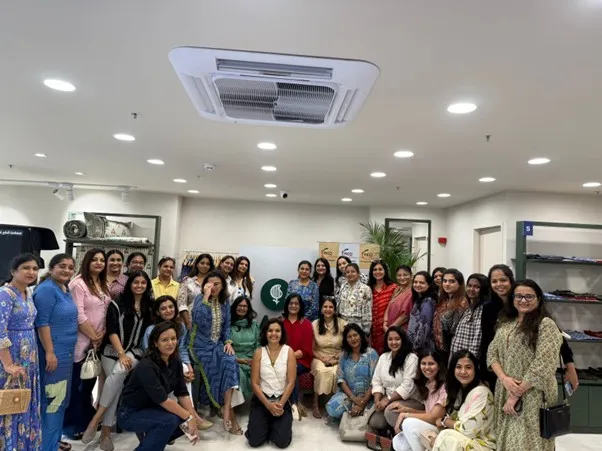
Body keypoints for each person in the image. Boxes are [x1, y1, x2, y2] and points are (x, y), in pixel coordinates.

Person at [82, 270, 154, 450]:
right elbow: (112, 330)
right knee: (117, 384)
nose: (139, 286)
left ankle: (96, 418)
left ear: (147, 286)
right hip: (111, 350)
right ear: (129, 284)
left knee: (119, 372)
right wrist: (121, 354)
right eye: (136, 282)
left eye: (143, 283)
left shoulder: (149, 306)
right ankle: (105, 433)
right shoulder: (117, 304)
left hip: (135, 351)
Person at [487, 279, 562, 451]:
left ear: (538, 299)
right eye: (519, 296)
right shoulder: (506, 322)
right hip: (506, 389)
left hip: (533, 394)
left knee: (527, 441)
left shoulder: (546, 325)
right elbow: (492, 354)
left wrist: (516, 394)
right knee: (506, 439)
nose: (523, 300)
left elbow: (544, 364)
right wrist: (504, 379)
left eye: (529, 296)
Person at [486, 264, 578, 391]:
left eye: (503, 280)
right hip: (502, 376)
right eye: (494, 281)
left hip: (531, 385)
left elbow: (555, 341)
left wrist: (570, 367)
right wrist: (501, 377)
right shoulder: (491, 309)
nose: (499, 284)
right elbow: (489, 345)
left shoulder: (540, 317)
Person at [117, 322, 206, 451]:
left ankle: (150, 441)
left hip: (152, 408)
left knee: (182, 420)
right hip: (130, 413)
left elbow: (182, 393)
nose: (170, 343)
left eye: (173, 338)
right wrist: (189, 417)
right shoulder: (147, 366)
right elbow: (163, 400)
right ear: (155, 343)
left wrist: (192, 420)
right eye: (165, 340)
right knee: (170, 421)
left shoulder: (175, 361)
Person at [63, 249, 111, 440]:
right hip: (80, 341)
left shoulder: (102, 283)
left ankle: (86, 419)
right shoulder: (78, 284)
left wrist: (101, 335)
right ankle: (71, 425)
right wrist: (93, 336)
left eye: (102, 260)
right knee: (75, 386)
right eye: (95, 260)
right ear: (87, 262)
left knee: (88, 383)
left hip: (96, 342)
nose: (99, 263)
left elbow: (105, 312)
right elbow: (78, 314)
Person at [33, 253, 78, 451]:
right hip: (52, 356)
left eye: (70, 267)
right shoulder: (46, 290)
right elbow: (42, 323)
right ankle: (47, 446)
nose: (67, 270)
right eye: (62, 266)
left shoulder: (64, 289)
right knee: (52, 401)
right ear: (51, 268)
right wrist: (50, 352)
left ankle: (53, 440)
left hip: (65, 355)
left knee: (60, 401)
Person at [188, 270, 242, 434]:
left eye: (216, 284)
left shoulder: (225, 302)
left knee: (230, 361)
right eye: (209, 284)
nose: (212, 287)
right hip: (199, 346)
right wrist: (205, 297)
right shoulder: (199, 299)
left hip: (217, 344)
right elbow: (200, 320)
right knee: (214, 366)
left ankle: (226, 408)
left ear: (223, 286)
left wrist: (228, 342)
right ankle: (225, 410)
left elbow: (226, 326)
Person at [0, 253, 42, 450]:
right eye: (26, 268)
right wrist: (8, 364)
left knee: (23, 399)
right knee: (9, 402)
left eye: (35, 268)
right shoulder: (5, 294)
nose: (31, 272)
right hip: (10, 357)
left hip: (29, 357)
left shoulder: (29, 292)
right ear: (13, 271)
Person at [142, 295, 204, 411]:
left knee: (186, 370)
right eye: (163, 308)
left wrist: (189, 366)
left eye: (171, 307)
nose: (168, 310)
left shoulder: (180, 327)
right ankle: (181, 411)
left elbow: (182, 348)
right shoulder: (151, 329)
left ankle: (190, 411)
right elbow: (148, 352)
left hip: (174, 361)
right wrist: (174, 370)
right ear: (157, 312)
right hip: (156, 364)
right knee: (178, 371)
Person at [246, 318, 296, 449]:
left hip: (282, 401)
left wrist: (280, 405)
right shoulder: (258, 353)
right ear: (265, 333)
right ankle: (264, 424)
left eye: (277, 331)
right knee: (254, 441)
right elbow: (254, 383)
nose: (274, 334)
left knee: (282, 443)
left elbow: (291, 382)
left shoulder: (289, 351)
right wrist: (268, 405)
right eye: (270, 331)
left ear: (282, 333)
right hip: (262, 401)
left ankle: (276, 425)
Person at [432, 350, 496, 451]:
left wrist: (445, 421)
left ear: (475, 370)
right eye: (458, 367)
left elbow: (470, 429)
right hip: (464, 440)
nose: (463, 372)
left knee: (446, 437)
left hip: (482, 445)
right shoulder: (458, 391)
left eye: (468, 367)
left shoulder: (481, 392)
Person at [392, 350, 447, 451]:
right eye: (423, 363)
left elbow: (434, 417)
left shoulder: (445, 386)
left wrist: (406, 414)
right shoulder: (428, 384)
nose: (426, 367)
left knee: (408, 423)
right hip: (430, 426)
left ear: (439, 366)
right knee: (398, 440)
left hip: (441, 430)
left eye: (431, 364)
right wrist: (407, 410)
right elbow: (428, 412)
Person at [368, 326, 420, 433]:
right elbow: (377, 381)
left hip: (410, 400)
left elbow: (407, 386)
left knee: (390, 412)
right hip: (388, 398)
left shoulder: (411, 358)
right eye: (390, 339)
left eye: (397, 339)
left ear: (403, 340)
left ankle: (403, 433)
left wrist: (387, 400)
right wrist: (377, 401)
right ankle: (392, 428)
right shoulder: (383, 357)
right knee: (375, 422)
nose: (393, 342)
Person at [325, 323, 379, 421]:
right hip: (349, 395)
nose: (353, 339)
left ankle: (355, 411)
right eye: (349, 337)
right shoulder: (344, 356)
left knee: (374, 417)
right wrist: (353, 398)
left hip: (368, 396)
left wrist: (362, 403)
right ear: (346, 340)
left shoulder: (372, 354)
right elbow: (341, 380)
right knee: (331, 408)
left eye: (355, 335)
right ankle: (353, 411)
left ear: (360, 336)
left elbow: (376, 381)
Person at [310, 297, 346, 418]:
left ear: (335, 310)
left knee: (336, 372)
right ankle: (315, 404)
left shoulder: (342, 324)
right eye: (325, 307)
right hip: (319, 356)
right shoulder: (315, 324)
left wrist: (338, 356)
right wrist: (322, 359)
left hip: (338, 356)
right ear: (321, 309)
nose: (328, 309)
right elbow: (312, 349)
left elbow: (348, 346)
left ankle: (334, 405)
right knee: (322, 371)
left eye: (331, 307)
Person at [281, 293, 313, 420]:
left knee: (292, 368)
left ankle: (293, 404)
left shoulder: (306, 324)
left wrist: (290, 357)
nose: (293, 306)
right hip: (282, 359)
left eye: (296, 303)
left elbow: (305, 349)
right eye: (291, 303)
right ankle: (294, 403)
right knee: (290, 368)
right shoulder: (281, 322)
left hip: (301, 361)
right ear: (287, 305)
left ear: (300, 306)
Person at [450, 273, 490, 362]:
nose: (471, 289)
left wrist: (468, 362)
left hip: (468, 362)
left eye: (476, 287)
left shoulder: (483, 310)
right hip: (458, 358)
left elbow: (477, 342)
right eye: (469, 286)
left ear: (483, 289)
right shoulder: (469, 307)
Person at [230, 295, 260, 401]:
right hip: (235, 359)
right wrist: (238, 360)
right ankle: (235, 404)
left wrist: (255, 359)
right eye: (239, 305)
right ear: (235, 307)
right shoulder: (228, 325)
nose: (242, 308)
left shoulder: (254, 325)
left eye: (245, 306)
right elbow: (225, 347)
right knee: (239, 375)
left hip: (252, 358)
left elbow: (259, 344)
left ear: (248, 309)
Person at [433, 269, 467, 363]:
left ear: (459, 284)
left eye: (452, 281)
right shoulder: (444, 299)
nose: (447, 284)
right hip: (439, 347)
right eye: (445, 281)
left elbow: (454, 330)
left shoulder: (462, 302)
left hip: (452, 349)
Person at [177, 253, 215, 330]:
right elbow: (182, 303)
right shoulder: (187, 281)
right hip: (190, 320)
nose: (205, 266)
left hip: (209, 321)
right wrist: (188, 322)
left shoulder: (214, 282)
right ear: (197, 264)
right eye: (202, 263)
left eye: (208, 264)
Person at [368, 260, 396, 354]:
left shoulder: (393, 288)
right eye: (375, 269)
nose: (377, 272)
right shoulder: (368, 288)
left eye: (380, 269)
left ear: (385, 271)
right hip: (371, 330)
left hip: (386, 328)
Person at [337, 263, 372, 337]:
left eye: (353, 271)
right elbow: (338, 304)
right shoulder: (343, 287)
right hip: (343, 324)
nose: (350, 274)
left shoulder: (365, 289)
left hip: (358, 325)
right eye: (347, 272)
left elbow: (367, 310)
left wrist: (366, 329)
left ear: (358, 273)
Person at [407, 272, 437, 352]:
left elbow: (424, 329)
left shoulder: (427, 302)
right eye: (415, 282)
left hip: (421, 349)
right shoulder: (419, 299)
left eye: (422, 283)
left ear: (429, 284)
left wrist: (416, 348)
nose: (417, 285)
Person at [384, 265, 413, 332]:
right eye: (399, 275)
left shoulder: (412, 291)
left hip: (401, 330)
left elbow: (405, 316)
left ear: (411, 275)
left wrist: (391, 328)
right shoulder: (397, 289)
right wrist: (385, 323)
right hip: (389, 328)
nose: (402, 278)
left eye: (405, 275)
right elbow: (389, 306)